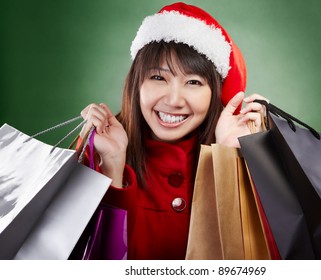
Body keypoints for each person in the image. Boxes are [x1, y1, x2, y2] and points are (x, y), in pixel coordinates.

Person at [79, 2, 267, 260]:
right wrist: (112, 165)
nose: (175, 100)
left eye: (193, 82)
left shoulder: (248, 159)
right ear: (137, 84)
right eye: (158, 77)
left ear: (214, 94)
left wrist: (230, 158)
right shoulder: (93, 151)